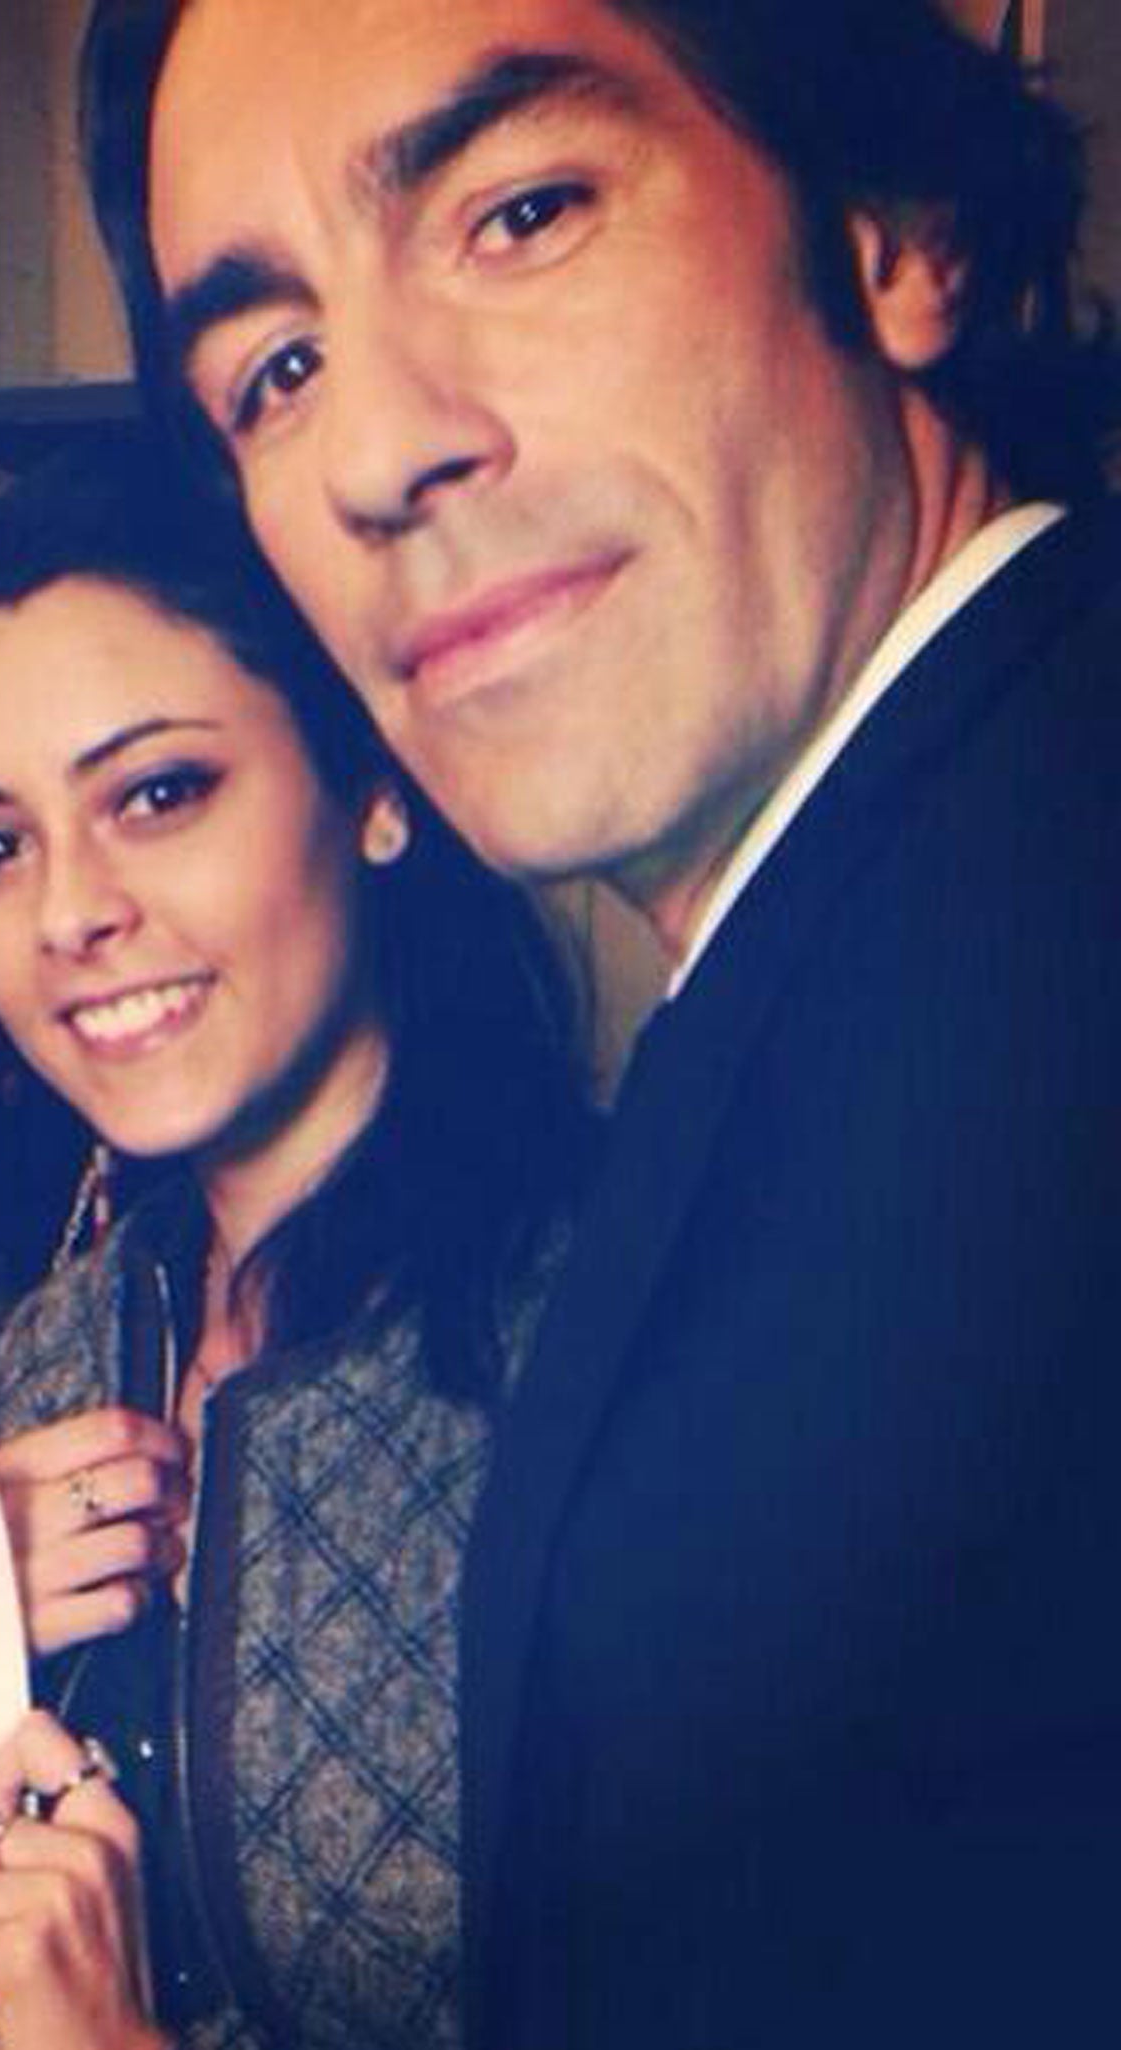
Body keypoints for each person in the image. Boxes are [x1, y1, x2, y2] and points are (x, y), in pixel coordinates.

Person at [82, 3, 1121, 2044]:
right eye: (270, 372)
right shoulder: (841, 957)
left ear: (891, 225)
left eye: (521, 211)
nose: (376, 451)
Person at [0, 438, 593, 2050]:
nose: (68, 911)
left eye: (157, 793)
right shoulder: (54, 1347)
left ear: (370, 787)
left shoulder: (608, 1327)